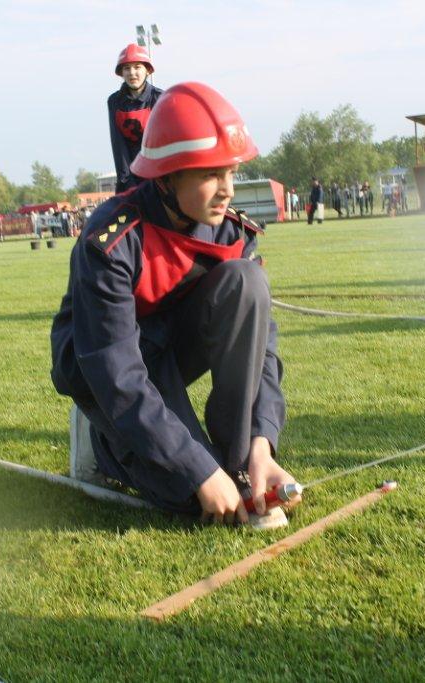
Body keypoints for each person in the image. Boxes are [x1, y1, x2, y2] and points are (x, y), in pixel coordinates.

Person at [51, 82, 299, 527]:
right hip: (106, 369)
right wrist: (197, 469)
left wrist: (262, 443)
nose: (227, 191)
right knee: (190, 495)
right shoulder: (110, 240)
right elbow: (117, 371)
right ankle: (100, 442)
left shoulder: (231, 233)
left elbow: (261, 348)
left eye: (231, 173)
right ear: (165, 177)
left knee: (248, 281)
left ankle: (239, 462)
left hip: (167, 352)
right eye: (209, 175)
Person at [108, 44, 164, 193]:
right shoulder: (114, 101)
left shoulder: (161, 98)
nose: (132, 73)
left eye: (137, 67)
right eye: (127, 68)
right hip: (131, 177)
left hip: (159, 176)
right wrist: (127, 182)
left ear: (147, 70)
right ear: (121, 73)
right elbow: (118, 145)